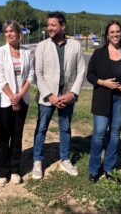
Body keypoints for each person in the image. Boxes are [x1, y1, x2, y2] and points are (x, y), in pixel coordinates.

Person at [32, 11, 85, 179]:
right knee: (41, 129)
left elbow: (81, 71)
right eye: (48, 25)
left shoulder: (75, 46)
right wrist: (50, 96)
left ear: (63, 26)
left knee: (65, 129)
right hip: (47, 98)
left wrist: (72, 93)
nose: (49, 28)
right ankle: (37, 161)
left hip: (67, 96)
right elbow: (38, 74)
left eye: (53, 25)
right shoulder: (42, 46)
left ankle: (64, 159)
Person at [86, 20, 121, 183]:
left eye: (118, 32)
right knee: (99, 134)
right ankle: (94, 170)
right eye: (112, 32)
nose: (115, 34)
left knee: (115, 134)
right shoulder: (98, 53)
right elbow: (90, 75)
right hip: (103, 97)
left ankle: (109, 168)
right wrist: (103, 82)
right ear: (107, 35)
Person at [0, 20, 34, 186]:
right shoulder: (0, 52)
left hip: (22, 98)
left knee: (17, 135)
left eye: (12, 31)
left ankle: (15, 169)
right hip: (4, 100)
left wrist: (20, 95)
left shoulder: (27, 52)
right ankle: (2, 171)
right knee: (4, 136)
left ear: (19, 33)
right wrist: (12, 96)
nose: (9, 34)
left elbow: (31, 75)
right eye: (6, 31)